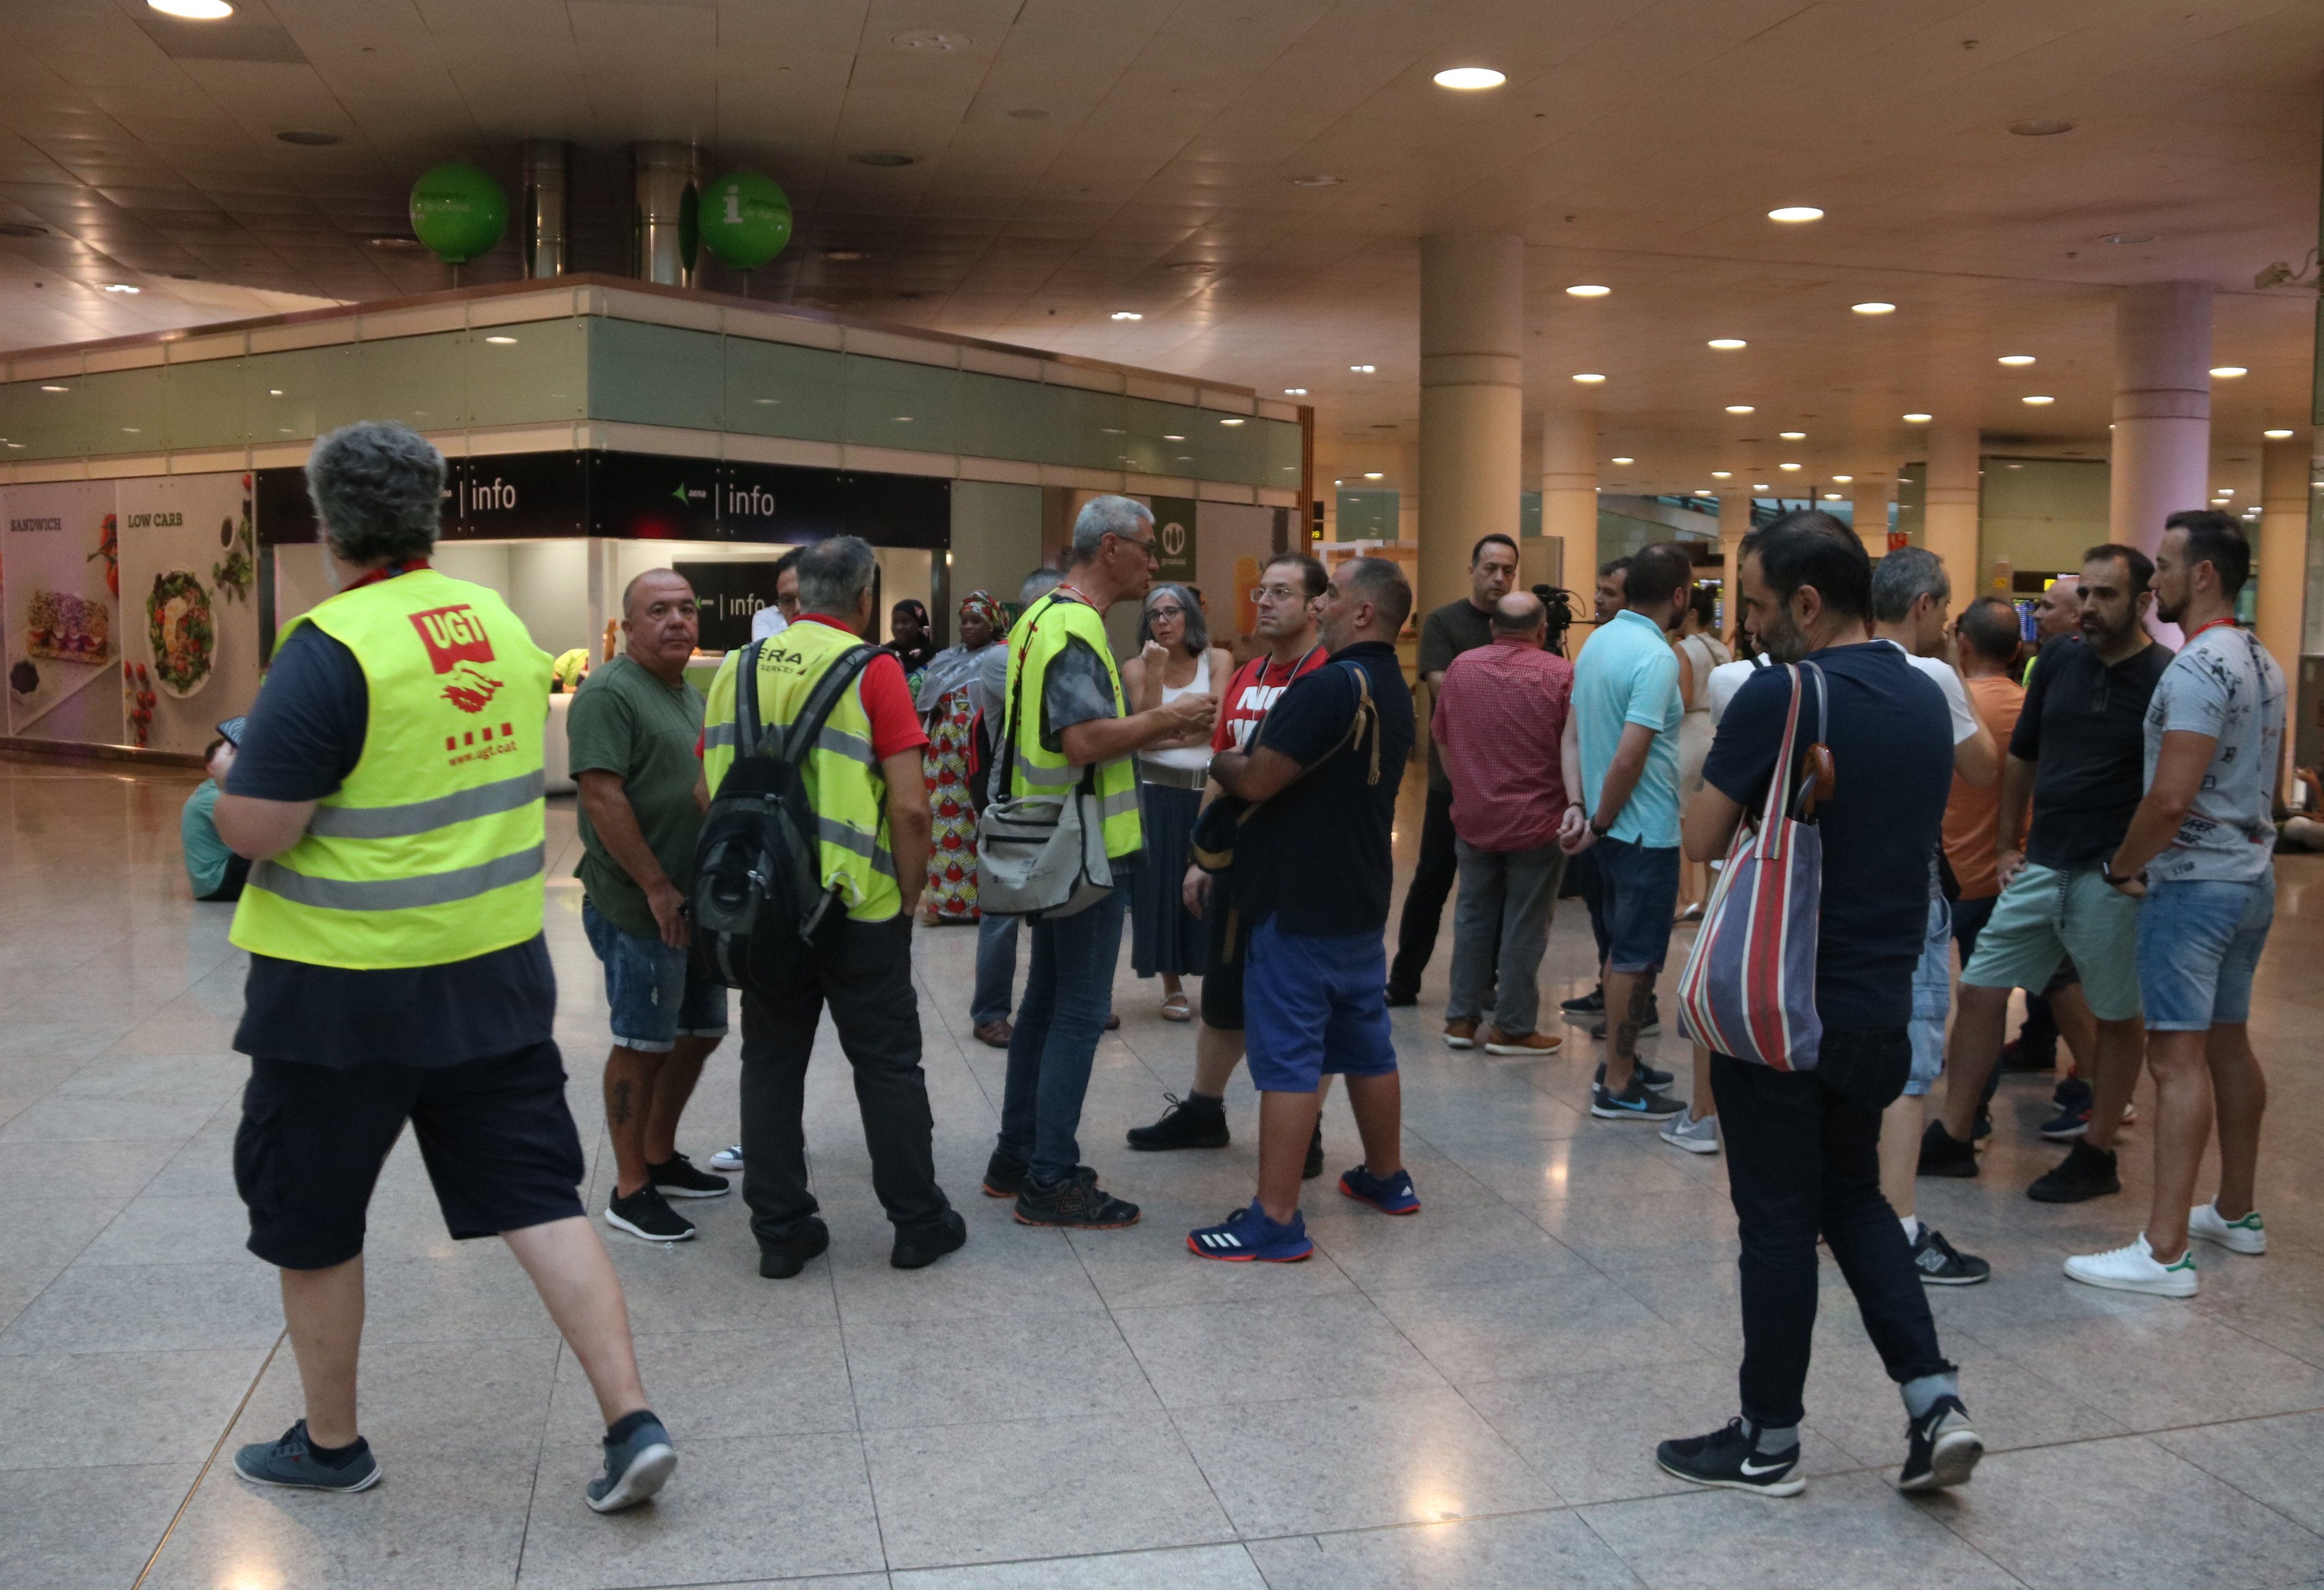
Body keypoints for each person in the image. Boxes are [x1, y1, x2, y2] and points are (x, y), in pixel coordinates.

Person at [215, 420, 674, 1512]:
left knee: (315, 1214)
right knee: (538, 1196)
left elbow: (259, 830)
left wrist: (234, 763)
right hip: (493, 975)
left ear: (330, 525)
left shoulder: (331, 646)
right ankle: (632, 1420)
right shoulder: (496, 624)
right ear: (434, 517)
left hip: (338, 998)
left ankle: (332, 1446)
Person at [1657, 510, 1981, 1499]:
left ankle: (1767, 1438)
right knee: (1855, 1200)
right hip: (1883, 998)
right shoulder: (1927, 697)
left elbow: (1702, 835)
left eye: (1755, 607)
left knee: (1775, 1220)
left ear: (1805, 601)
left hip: (1783, 1003)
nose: (1749, 628)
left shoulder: (1783, 695)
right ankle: (1933, 1401)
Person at [702, 535, 967, 1279]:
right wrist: (911, 892)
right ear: (863, 600)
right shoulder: (874, 669)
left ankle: (781, 1232)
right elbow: (912, 808)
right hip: (858, 905)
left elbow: (706, 788)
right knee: (887, 1066)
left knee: (771, 1063)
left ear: (798, 594)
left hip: (765, 904)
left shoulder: (736, 668)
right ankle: (919, 1223)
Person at [2069, 511, 2284, 1296]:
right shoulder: (2264, 659)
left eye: (2162, 566)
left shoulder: (2197, 669)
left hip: (2193, 886)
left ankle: (2162, 1250)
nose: (2151, 580)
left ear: (2204, 576)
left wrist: (2121, 866)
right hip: (2250, 877)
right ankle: (2236, 1209)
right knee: (2229, 1043)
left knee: (2176, 1057)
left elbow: (2168, 798)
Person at [984, 496, 1215, 1228]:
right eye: (1147, 548)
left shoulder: (1039, 618)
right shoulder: (1076, 627)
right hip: (1080, 851)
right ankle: (1050, 1177)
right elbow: (1083, 742)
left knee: (1046, 1006)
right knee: (1079, 1012)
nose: (1155, 563)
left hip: (1050, 842)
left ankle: (1015, 1158)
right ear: (1109, 547)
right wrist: (1173, 717)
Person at [1918, 545, 2171, 1202]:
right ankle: (1954, 1134)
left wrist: (2136, 867)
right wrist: (2005, 846)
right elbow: (2023, 758)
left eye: (2104, 595)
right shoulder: (2056, 659)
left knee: (2115, 1015)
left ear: (2143, 602)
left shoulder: (2164, 677)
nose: (2088, 608)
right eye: (2083, 594)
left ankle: (2097, 1152)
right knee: (1979, 988)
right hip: (2043, 863)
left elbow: (2171, 788)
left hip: (2110, 873)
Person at [1187, 557, 1420, 1260]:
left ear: (1364, 614)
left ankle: (1276, 1219)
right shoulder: (1394, 686)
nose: (1320, 605)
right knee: (1367, 1043)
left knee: (1290, 1059)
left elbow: (1256, 778)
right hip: (1359, 898)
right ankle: (1387, 1178)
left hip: (1296, 901)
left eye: (1333, 596)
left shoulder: (1326, 687)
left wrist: (1220, 756)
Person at [1127, 553, 1331, 1163]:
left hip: (1301, 865)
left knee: (1296, 1002)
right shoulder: (1248, 674)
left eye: (1282, 593)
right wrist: (1200, 854)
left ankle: (1307, 1130)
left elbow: (1249, 768)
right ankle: (1203, 1110)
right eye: (1261, 591)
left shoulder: (1329, 676)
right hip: (1238, 863)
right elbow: (1221, 758)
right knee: (1223, 992)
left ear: (1317, 604)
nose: (1264, 602)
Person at [571, 569, 731, 1244]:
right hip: (641, 908)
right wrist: (657, 887)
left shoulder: (687, 690)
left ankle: (660, 1157)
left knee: (700, 1031)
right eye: (658, 611)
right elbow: (603, 797)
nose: (676, 622)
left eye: (687, 610)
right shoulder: (610, 692)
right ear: (628, 628)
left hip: (695, 906)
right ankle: (629, 1187)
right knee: (641, 1042)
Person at [1864, 549, 1997, 1287]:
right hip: (1910, 883)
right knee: (1911, 1057)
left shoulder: (1831, 668)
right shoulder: (1934, 676)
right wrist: (1954, 671)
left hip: (1844, 882)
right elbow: (1981, 766)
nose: (1948, 625)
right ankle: (1900, 1226)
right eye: (1944, 613)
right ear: (1924, 607)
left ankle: (1847, 1209)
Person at [1565, 541, 1693, 1121]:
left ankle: (1625, 1062)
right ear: (1679, 596)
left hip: (1611, 828)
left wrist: (1580, 808)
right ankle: (1618, 1084)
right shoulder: (1657, 655)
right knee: (1636, 959)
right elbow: (1629, 758)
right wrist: (1600, 820)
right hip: (1641, 832)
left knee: (1622, 951)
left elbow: (1571, 736)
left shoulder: (1600, 641)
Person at [1434, 590, 1578, 1057]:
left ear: (1493, 628)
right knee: (1524, 924)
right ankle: (1513, 1027)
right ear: (1542, 631)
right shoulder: (1560, 674)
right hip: (1538, 821)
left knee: (1472, 917)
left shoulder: (1462, 668)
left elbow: (1442, 737)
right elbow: (1574, 746)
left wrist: (1466, 790)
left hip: (1475, 817)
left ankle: (1461, 1019)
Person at [1385, 532, 1519, 1005]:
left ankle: (1486, 981)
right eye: (1490, 568)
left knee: (1500, 883)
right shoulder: (1445, 622)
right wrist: (1511, 704)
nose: (1499, 578)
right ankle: (1404, 980)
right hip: (1454, 778)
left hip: (1508, 783)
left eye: (1507, 570)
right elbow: (1446, 695)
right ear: (1472, 569)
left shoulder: (1523, 625)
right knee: (1433, 879)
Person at [1121, 582, 1231, 1020]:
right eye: (1154, 614)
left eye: (1172, 612)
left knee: (1215, 885)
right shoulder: (1136, 666)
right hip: (1157, 792)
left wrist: (1161, 730)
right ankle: (1172, 986)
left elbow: (1215, 725)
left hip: (1209, 789)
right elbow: (1142, 731)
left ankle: (1220, 981)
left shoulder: (1218, 659)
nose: (1163, 621)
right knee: (1163, 889)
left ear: (1191, 616)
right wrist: (1154, 673)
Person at [968, 569, 1065, 1048]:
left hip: (1061, 796)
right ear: (1032, 611)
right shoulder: (1000, 660)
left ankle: (1066, 1002)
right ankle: (989, 1012)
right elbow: (1060, 704)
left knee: (1067, 902)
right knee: (1003, 915)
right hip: (1013, 798)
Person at [1559, 557, 1634, 1024]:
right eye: (1598, 590)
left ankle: (1632, 1005)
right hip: (1592, 808)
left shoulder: (1645, 655)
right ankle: (1608, 990)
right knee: (1599, 905)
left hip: (1625, 817)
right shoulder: (1592, 649)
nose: (1599, 600)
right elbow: (1572, 733)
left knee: (1625, 920)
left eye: (1610, 592)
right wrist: (1578, 802)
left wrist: (1599, 817)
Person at [915, 590, 1008, 925]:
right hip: (943, 753)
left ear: (993, 624)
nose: (967, 627)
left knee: (974, 821)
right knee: (943, 821)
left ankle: (980, 904)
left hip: (976, 749)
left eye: (976, 621)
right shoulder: (945, 659)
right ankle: (943, 904)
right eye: (963, 621)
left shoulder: (1000, 657)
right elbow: (925, 704)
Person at [1672, 585, 1733, 920]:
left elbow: (1681, 699)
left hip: (1690, 735)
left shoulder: (1683, 648)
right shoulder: (1722, 649)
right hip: (1717, 733)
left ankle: (1684, 900)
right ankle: (1710, 898)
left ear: (1692, 614)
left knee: (1679, 821)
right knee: (1715, 819)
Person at [182, 719, 250, 901]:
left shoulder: (212, 791)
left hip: (212, 878)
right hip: (214, 883)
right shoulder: (211, 797)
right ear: (212, 769)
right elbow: (252, 826)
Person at [747, 549, 802, 643]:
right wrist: (792, 622)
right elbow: (760, 649)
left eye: (804, 598)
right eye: (787, 600)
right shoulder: (764, 616)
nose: (797, 609)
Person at [886, 597, 936, 695]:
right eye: (895, 623)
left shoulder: (937, 657)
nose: (899, 627)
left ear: (920, 625)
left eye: (905, 622)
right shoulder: (885, 654)